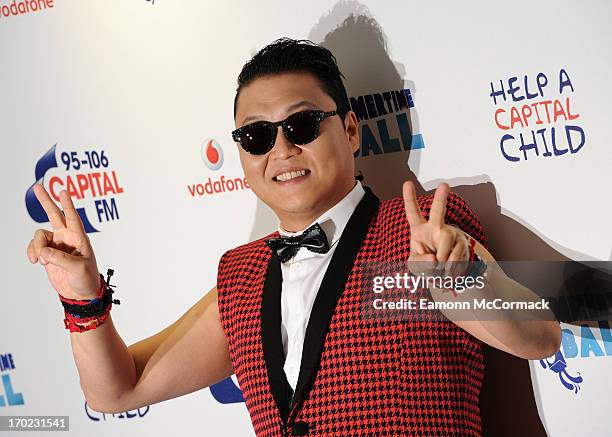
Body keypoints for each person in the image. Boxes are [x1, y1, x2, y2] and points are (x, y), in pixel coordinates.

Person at [27, 38, 561, 436]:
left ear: (350, 131)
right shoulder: (242, 276)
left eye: (302, 125)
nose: (280, 150)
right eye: (256, 135)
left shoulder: (416, 229)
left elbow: (540, 337)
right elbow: (117, 389)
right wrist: (82, 294)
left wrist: (458, 283)